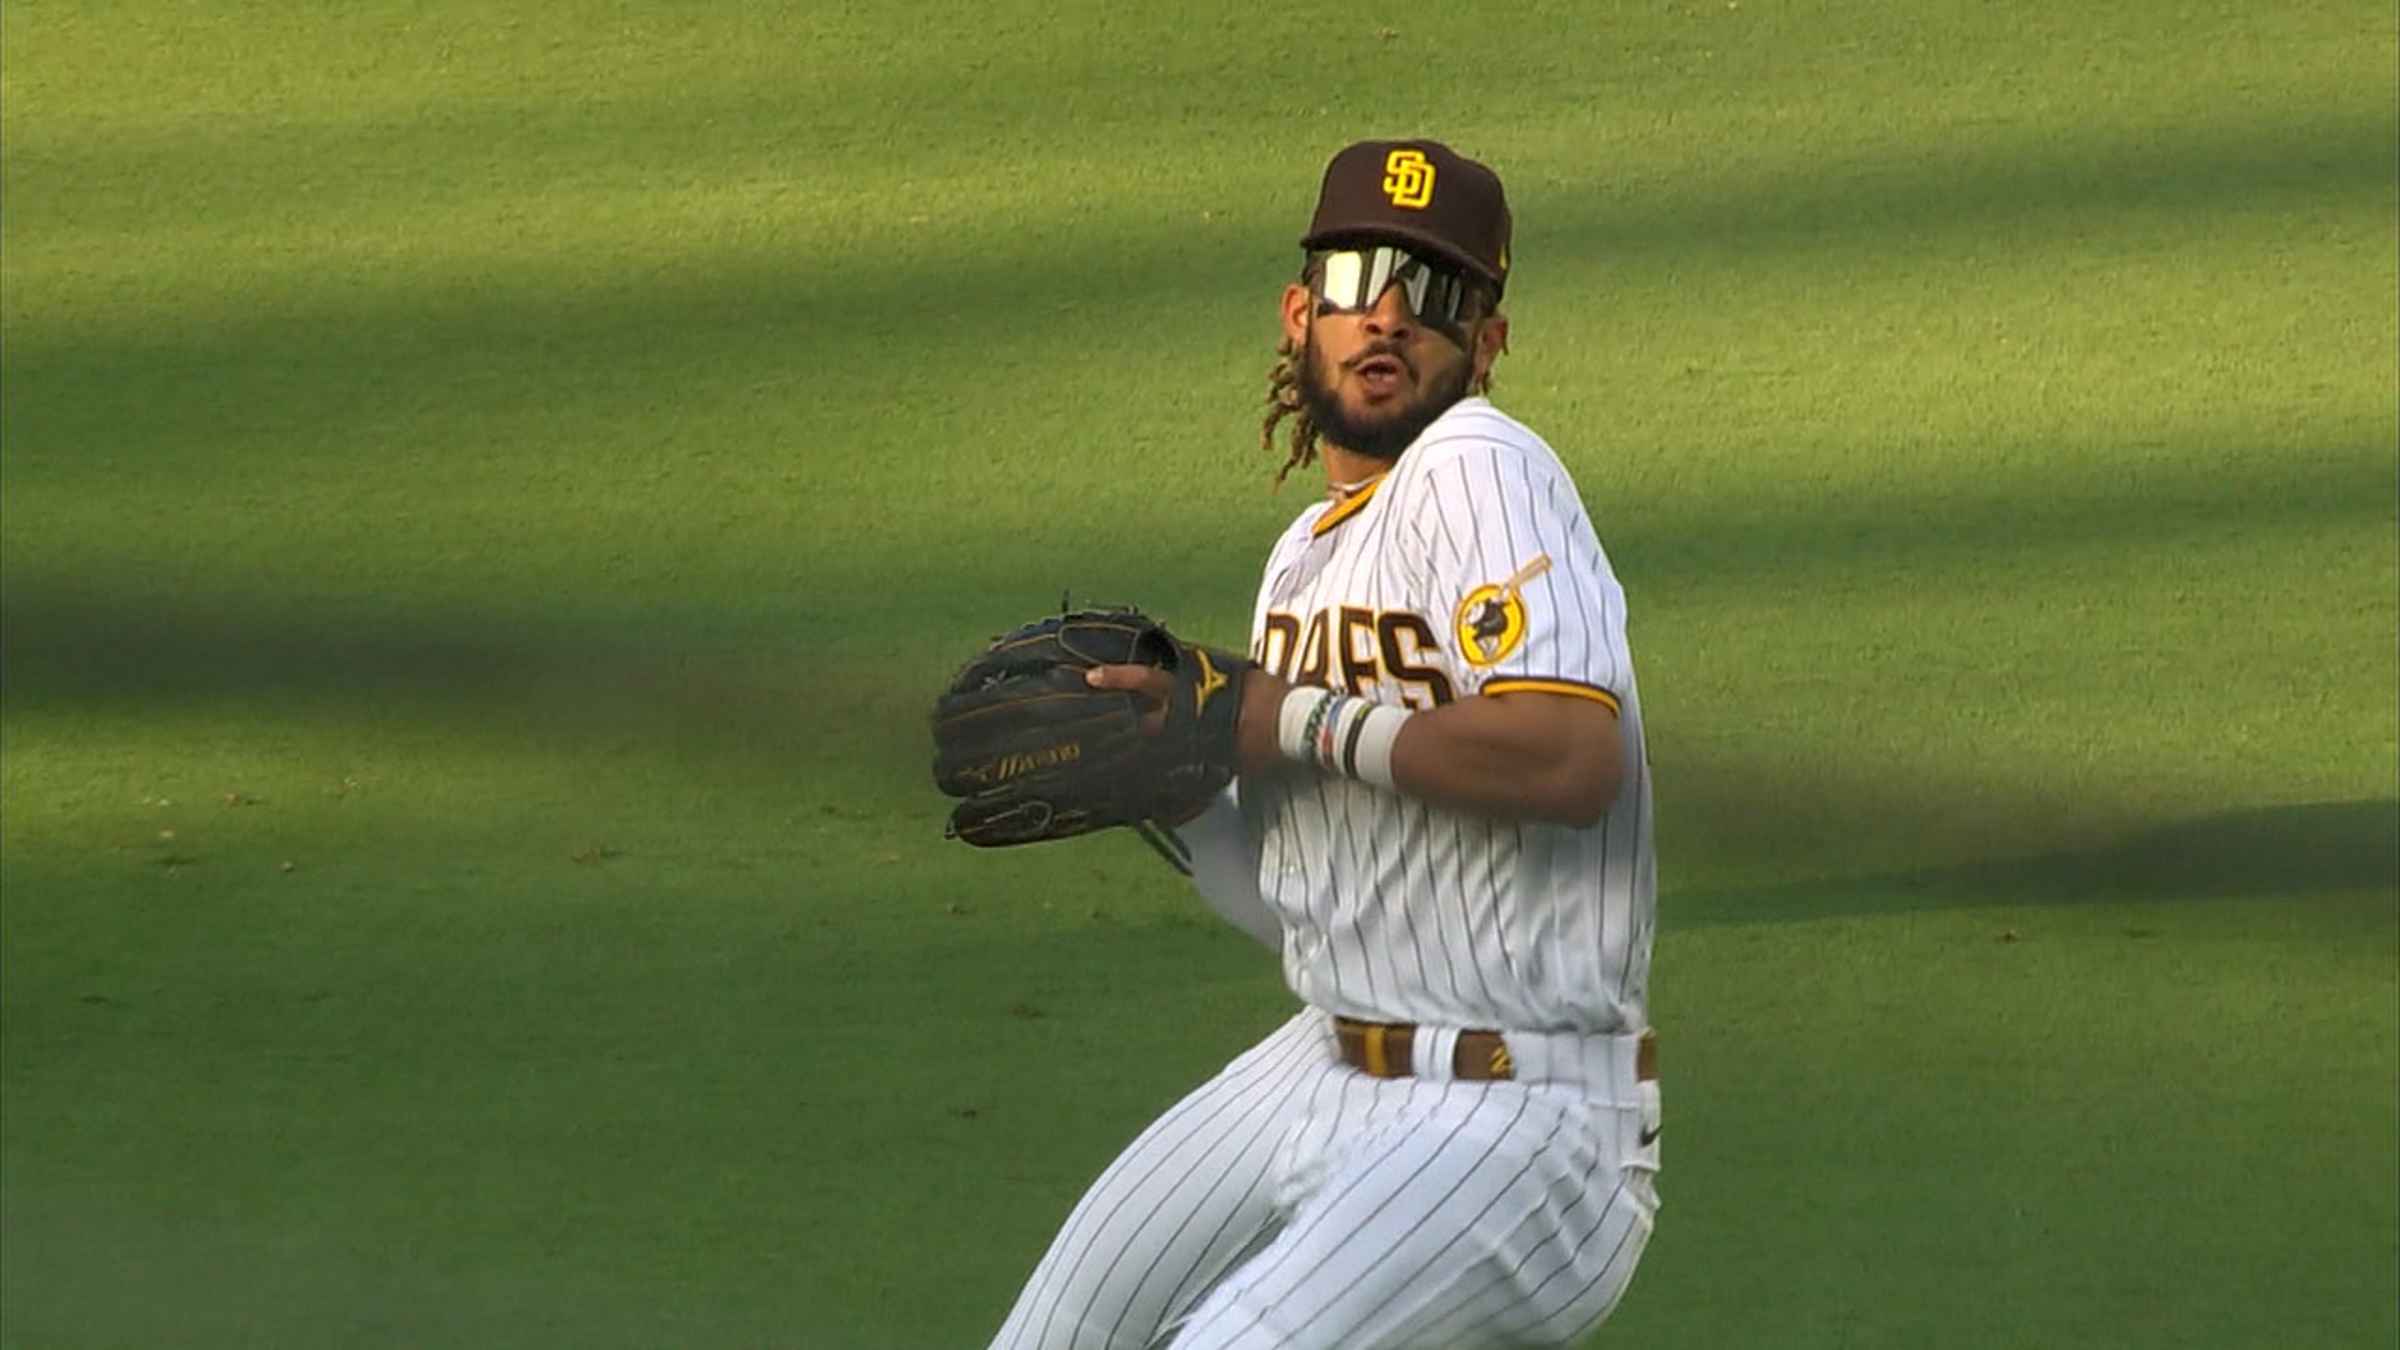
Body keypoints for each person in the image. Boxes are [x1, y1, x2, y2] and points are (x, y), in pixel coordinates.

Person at [988, 139, 1660, 1350]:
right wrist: (1181, 794)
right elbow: (1310, 919)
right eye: (1358, 275)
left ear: (1487, 346)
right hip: (1329, 1062)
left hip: (1523, 1119)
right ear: (1303, 313)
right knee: (1056, 1331)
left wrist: (1284, 716)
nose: (1390, 314)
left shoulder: (1481, 465)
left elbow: (1571, 760)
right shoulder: (1303, 559)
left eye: (1436, 292)